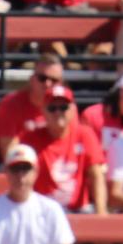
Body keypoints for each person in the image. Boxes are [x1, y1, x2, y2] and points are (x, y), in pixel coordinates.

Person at [31, 85, 105, 214]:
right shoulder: (31, 138)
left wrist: (101, 213)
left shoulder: (84, 134)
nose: (58, 113)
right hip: (42, 210)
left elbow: (96, 174)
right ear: (43, 111)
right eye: (52, 108)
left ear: (73, 110)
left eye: (63, 107)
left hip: (78, 209)